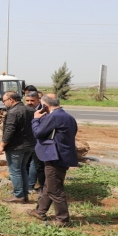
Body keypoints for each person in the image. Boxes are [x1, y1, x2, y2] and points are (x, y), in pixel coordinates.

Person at [26, 94, 78, 227]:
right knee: (49, 186)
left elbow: (38, 133)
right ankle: (40, 211)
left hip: (55, 157)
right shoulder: (68, 117)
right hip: (62, 155)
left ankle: (62, 219)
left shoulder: (54, 116)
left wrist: (36, 119)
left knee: (55, 189)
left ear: (45, 106)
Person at [0, 91, 36, 203]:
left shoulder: (13, 112)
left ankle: (19, 195)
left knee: (15, 171)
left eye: (4, 101)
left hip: (16, 147)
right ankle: (24, 194)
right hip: (29, 145)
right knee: (22, 169)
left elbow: (9, 130)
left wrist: (2, 145)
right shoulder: (31, 110)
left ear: (11, 100)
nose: (4, 104)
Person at [24, 91, 45, 194]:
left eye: (32, 100)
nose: (29, 103)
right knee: (26, 163)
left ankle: (32, 185)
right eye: (27, 100)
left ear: (38, 100)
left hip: (38, 141)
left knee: (36, 164)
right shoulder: (24, 110)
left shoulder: (43, 111)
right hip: (26, 141)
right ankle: (27, 184)